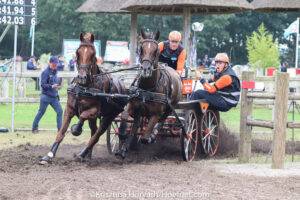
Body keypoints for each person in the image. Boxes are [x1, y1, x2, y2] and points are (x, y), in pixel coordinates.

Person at [32, 56, 63, 133]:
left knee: (60, 111)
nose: (55, 65)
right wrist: (51, 86)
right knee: (41, 112)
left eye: (56, 64)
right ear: (50, 63)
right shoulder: (45, 72)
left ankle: (60, 129)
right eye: (54, 64)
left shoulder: (55, 72)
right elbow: (43, 85)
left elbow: (55, 82)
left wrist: (58, 86)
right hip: (45, 97)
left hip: (54, 97)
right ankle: (34, 128)